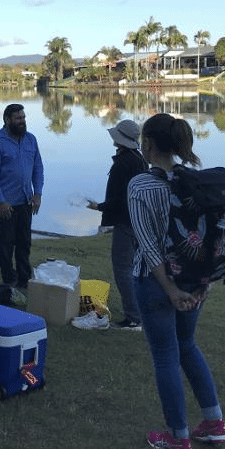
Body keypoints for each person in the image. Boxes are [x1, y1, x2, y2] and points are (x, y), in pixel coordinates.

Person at [127, 113, 225, 449]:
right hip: (193, 281)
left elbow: (148, 245)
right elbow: (209, 237)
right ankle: (215, 423)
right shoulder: (196, 182)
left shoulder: (141, 186)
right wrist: (203, 283)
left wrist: (170, 290)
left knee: (165, 355)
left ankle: (178, 438)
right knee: (187, 345)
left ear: (148, 145)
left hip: (155, 283)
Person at [86, 119, 148, 330]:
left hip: (126, 222)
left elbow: (121, 198)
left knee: (122, 269)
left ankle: (133, 319)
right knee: (135, 268)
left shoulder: (123, 163)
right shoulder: (139, 160)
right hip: (138, 220)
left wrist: (99, 207)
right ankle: (139, 312)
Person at [0, 103, 44, 301]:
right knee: (5, 245)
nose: (22, 121)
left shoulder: (31, 139)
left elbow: (38, 168)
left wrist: (38, 194)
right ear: (7, 120)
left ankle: (24, 279)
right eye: (18, 118)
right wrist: (0, 201)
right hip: (5, 205)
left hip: (25, 202)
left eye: (23, 117)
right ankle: (9, 280)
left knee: (24, 242)